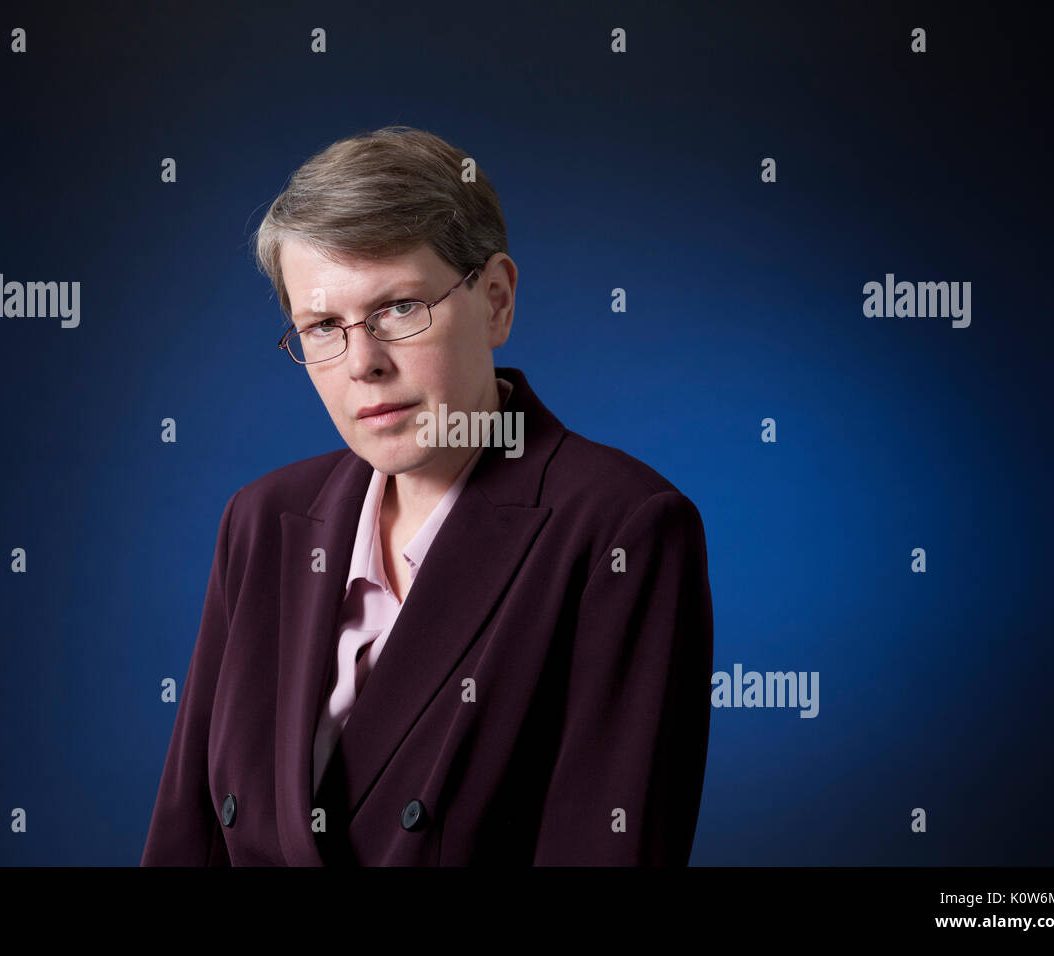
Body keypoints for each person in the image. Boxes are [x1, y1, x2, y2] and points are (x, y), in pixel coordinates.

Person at [141, 126, 713, 866]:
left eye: (400, 309)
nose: (364, 365)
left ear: (497, 300)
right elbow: (185, 843)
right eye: (323, 326)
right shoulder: (261, 521)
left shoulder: (621, 530)